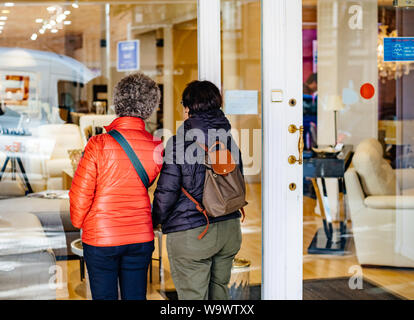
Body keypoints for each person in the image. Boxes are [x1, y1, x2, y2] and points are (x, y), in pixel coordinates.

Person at [69, 73, 163, 300]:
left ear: (117, 102)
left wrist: (81, 222)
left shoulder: (98, 144)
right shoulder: (156, 146)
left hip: (101, 237)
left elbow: (80, 194)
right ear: (150, 107)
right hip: (140, 235)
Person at [152, 80, 243, 300]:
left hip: (193, 235)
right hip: (229, 230)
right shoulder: (229, 140)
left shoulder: (178, 144)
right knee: (219, 294)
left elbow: (167, 192)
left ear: (187, 108)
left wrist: (154, 221)